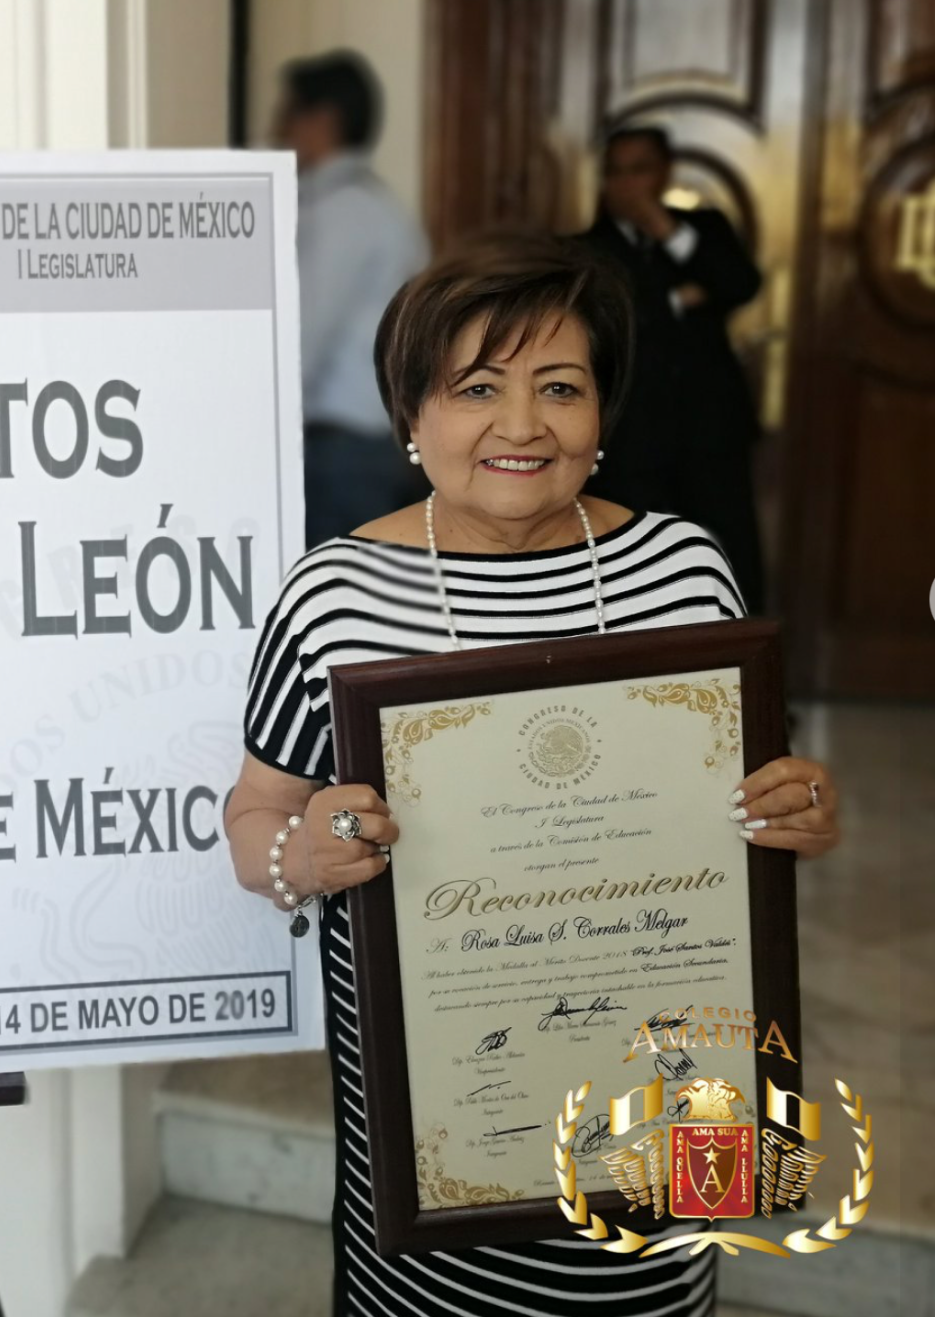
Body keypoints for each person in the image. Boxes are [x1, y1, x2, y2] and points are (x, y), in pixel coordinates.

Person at [226, 233, 842, 1317]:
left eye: (561, 386)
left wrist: (800, 810)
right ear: (411, 414)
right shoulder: (338, 599)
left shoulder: (684, 570)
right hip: (437, 1150)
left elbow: (759, 786)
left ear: (602, 415)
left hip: (656, 1114)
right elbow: (257, 815)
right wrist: (301, 852)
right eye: (477, 388)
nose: (522, 426)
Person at [580, 125, 768, 612]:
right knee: (630, 562)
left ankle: (745, 668)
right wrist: (681, 297)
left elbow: (740, 283)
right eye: (615, 172)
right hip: (627, 437)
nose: (626, 183)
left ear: (664, 173)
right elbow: (611, 316)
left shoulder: (704, 229)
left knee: (733, 554)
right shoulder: (583, 248)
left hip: (709, 430)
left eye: (639, 169)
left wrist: (665, 229)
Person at [272, 50, 429, 548]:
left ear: (322, 120)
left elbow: (303, 337)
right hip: (368, 446)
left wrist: (255, 429)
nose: (276, 129)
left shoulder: (342, 213)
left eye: (285, 113)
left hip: (339, 452)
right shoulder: (378, 205)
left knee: (333, 607)